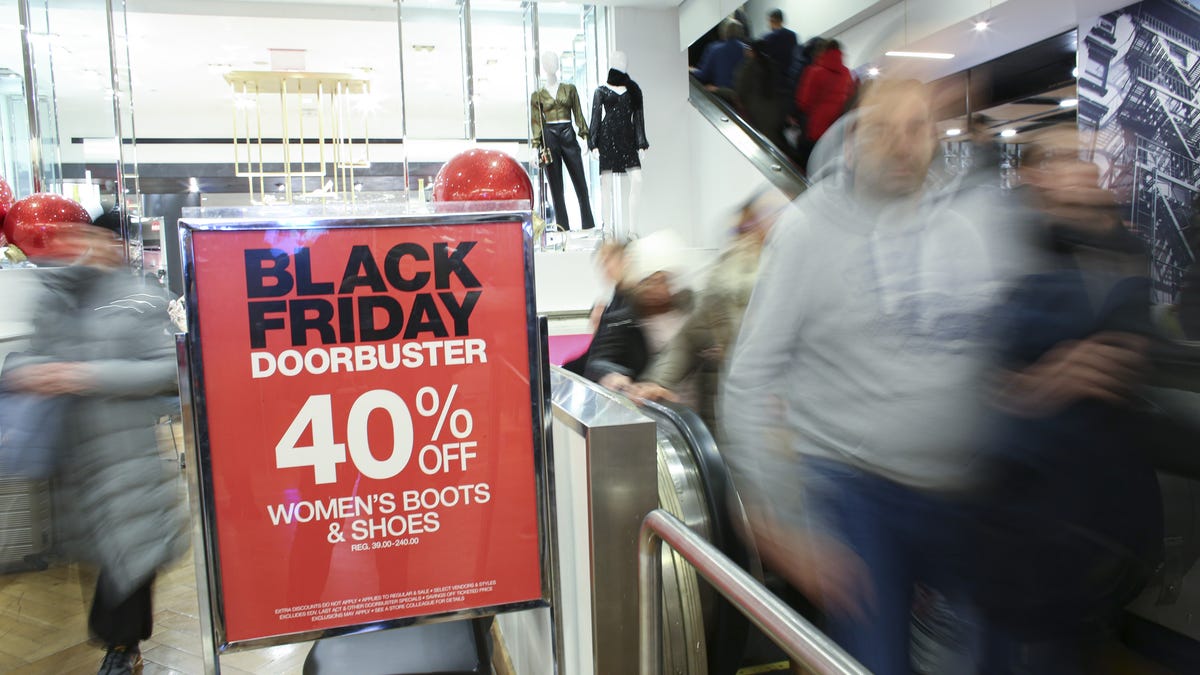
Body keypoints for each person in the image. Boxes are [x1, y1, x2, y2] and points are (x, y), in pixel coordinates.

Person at [722, 80, 1007, 675]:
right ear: (853, 141)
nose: (902, 145)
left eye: (916, 128)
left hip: (959, 495)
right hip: (855, 496)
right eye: (883, 129)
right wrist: (777, 522)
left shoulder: (961, 228)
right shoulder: (807, 232)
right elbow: (748, 380)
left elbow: (985, 356)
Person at [6, 221, 188, 675]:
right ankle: (117, 640)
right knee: (101, 554)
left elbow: (167, 369)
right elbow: (27, 357)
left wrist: (87, 376)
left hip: (124, 454)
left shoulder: (140, 297)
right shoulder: (55, 297)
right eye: (69, 239)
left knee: (130, 550)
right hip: (72, 454)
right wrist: (31, 371)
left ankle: (123, 646)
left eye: (89, 239)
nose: (78, 248)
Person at [632, 189, 788, 435]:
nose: (747, 236)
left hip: (784, 420)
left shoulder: (789, 278)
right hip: (733, 419)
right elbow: (688, 338)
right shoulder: (722, 283)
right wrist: (656, 382)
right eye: (743, 229)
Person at [584, 230, 691, 397]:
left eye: (662, 280)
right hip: (653, 405)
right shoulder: (623, 319)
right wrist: (615, 375)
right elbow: (597, 361)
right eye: (649, 281)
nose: (655, 288)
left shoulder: (690, 310)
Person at [794, 39, 853, 169]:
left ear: (823, 51)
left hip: (816, 129)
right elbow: (849, 97)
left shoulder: (815, 71)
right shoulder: (846, 73)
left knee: (808, 162)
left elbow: (803, 102)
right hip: (837, 129)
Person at [734, 41, 787, 150]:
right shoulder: (772, 64)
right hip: (776, 109)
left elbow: (741, 90)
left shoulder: (748, 67)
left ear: (752, 51)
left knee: (765, 146)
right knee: (776, 143)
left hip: (757, 113)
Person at [691, 19, 747, 93]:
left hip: (722, 94)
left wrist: (692, 70)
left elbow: (704, 75)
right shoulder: (747, 50)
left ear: (724, 31)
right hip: (741, 97)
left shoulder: (715, 48)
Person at [761, 9, 798, 100]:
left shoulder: (768, 38)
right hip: (790, 77)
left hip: (775, 80)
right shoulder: (792, 35)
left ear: (771, 20)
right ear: (782, 20)